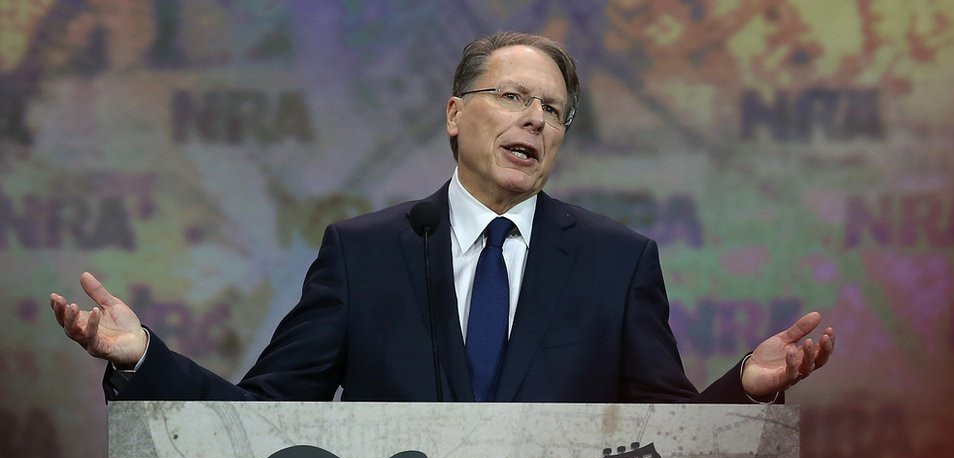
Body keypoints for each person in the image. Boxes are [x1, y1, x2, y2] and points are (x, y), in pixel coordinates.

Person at [50, 32, 834, 404]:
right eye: (514, 98)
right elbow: (268, 415)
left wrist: (745, 387)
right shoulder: (362, 253)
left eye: (554, 110)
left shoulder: (616, 260)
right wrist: (143, 356)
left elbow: (668, 436)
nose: (535, 119)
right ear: (456, 115)